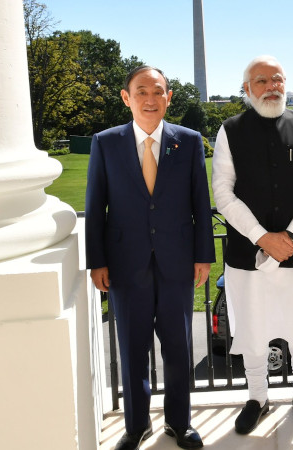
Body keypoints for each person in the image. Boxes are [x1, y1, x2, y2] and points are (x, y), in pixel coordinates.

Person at [85, 65, 215, 450]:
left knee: (178, 348)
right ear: (127, 97)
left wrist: (203, 256)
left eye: (158, 91)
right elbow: (96, 208)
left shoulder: (189, 141)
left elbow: (200, 204)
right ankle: (136, 425)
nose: (150, 99)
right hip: (126, 266)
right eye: (141, 91)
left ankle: (179, 422)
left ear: (168, 97)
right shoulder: (106, 143)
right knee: (132, 347)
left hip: (177, 263)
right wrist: (97, 261)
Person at [211, 55, 293, 435]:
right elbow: (223, 192)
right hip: (248, 255)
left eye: (277, 79)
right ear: (246, 89)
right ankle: (257, 398)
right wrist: (263, 237)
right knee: (252, 328)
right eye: (261, 80)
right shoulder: (229, 130)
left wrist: (291, 235)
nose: (271, 86)